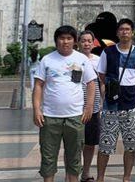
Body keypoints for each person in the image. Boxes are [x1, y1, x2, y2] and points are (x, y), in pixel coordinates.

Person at [33, 25, 97, 182]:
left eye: (69, 38)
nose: (65, 41)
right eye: (62, 38)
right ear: (56, 41)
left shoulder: (81, 59)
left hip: (75, 116)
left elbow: (91, 83)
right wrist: (36, 109)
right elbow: (38, 85)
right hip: (49, 117)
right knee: (48, 157)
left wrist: (88, 107)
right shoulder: (47, 60)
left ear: (75, 41)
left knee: (74, 158)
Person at [96, 18, 135, 182]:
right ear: (117, 33)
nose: (125, 32)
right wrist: (110, 88)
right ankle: (100, 177)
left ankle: (126, 177)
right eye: (122, 29)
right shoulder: (108, 52)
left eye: (128, 29)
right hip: (111, 105)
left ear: (132, 32)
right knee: (105, 146)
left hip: (131, 105)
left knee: (130, 146)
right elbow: (101, 74)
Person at [79, 30, 103, 182]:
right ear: (78, 42)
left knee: (90, 142)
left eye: (89, 41)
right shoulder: (73, 58)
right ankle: (74, 171)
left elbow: (102, 82)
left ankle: (86, 171)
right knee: (74, 143)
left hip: (93, 107)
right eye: (83, 40)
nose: (86, 43)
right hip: (75, 107)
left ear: (93, 43)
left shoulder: (98, 60)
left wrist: (102, 103)